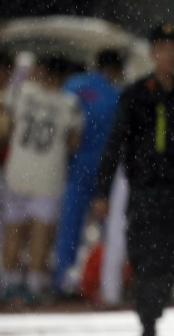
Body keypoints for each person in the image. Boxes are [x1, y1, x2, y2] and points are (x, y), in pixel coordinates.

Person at [92, 23, 174, 336]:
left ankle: (151, 313)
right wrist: (103, 192)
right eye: (162, 48)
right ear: (153, 52)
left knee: (166, 254)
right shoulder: (136, 95)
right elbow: (115, 145)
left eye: (173, 47)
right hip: (141, 187)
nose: (168, 54)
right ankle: (147, 312)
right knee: (141, 251)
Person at [1, 55, 83, 302]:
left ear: (43, 71)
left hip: (17, 171)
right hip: (49, 174)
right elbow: (74, 143)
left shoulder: (21, 93)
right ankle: (35, 285)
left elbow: (4, 128)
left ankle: (9, 282)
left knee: (13, 230)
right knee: (41, 231)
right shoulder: (70, 103)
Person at [53, 49, 124, 293]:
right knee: (109, 229)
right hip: (105, 167)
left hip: (73, 163)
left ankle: (62, 279)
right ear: (115, 70)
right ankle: (103, 281)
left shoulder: (73, 85)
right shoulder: (117, 94)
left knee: (70, 224)